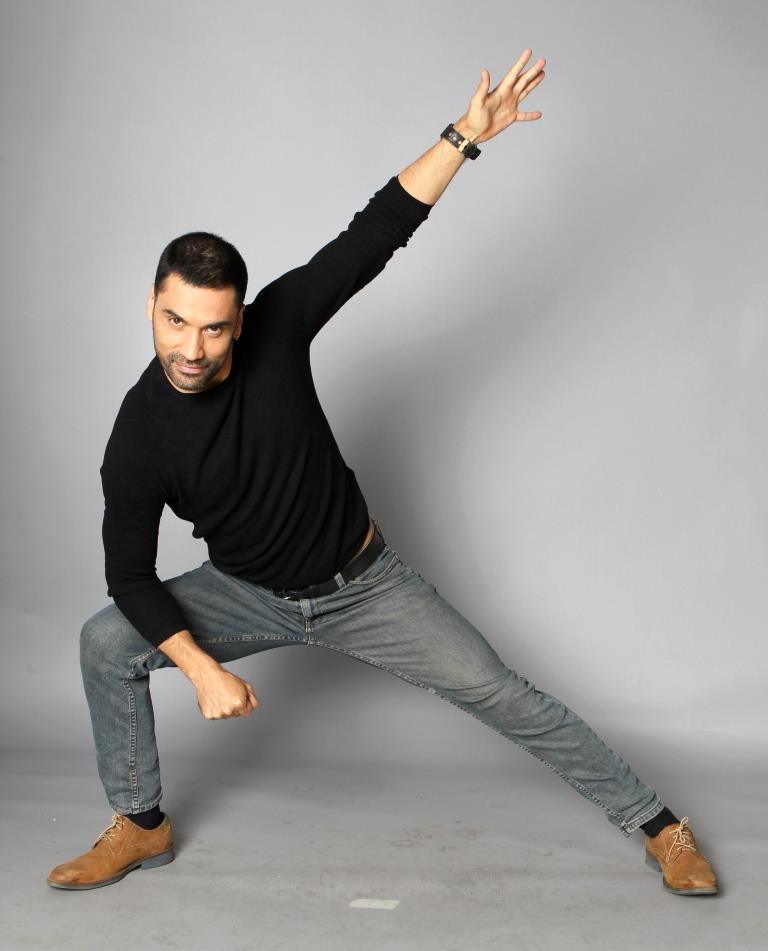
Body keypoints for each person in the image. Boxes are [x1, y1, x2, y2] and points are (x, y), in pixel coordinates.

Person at [47, 50, 718, 897]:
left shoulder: (279, 327)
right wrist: (201, 667)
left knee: (499, 689)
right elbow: (130, 576)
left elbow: (375, 233)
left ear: (241, 321)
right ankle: (141, 823)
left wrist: (465, 136)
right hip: (245, 591)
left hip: (365, 585)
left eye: (214, 328)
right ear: (151, 304)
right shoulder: (137, 435)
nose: (192, 347)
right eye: (176, 321)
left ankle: (660, 825)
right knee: (106, 640)